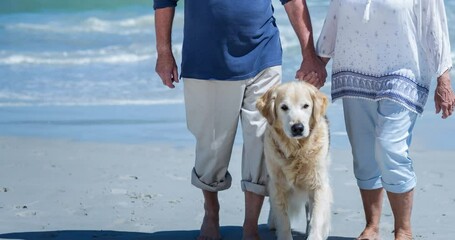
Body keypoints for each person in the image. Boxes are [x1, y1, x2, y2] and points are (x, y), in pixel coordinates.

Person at [153, 0, 326, 239]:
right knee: (212, 146)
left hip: (264, 55)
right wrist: (164, 52)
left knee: (261, 142)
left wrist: (309, 54)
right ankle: (211, 212)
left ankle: (250, 226)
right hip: (206, 61)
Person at [316, 0, 455, 239]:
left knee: (389, 147)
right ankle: (371, 226)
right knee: (363, 153)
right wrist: (318, 63)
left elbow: (435, 26)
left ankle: (403, 230)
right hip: (354, 70)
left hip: (403, 69)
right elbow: (334, 20)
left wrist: (444, 79)